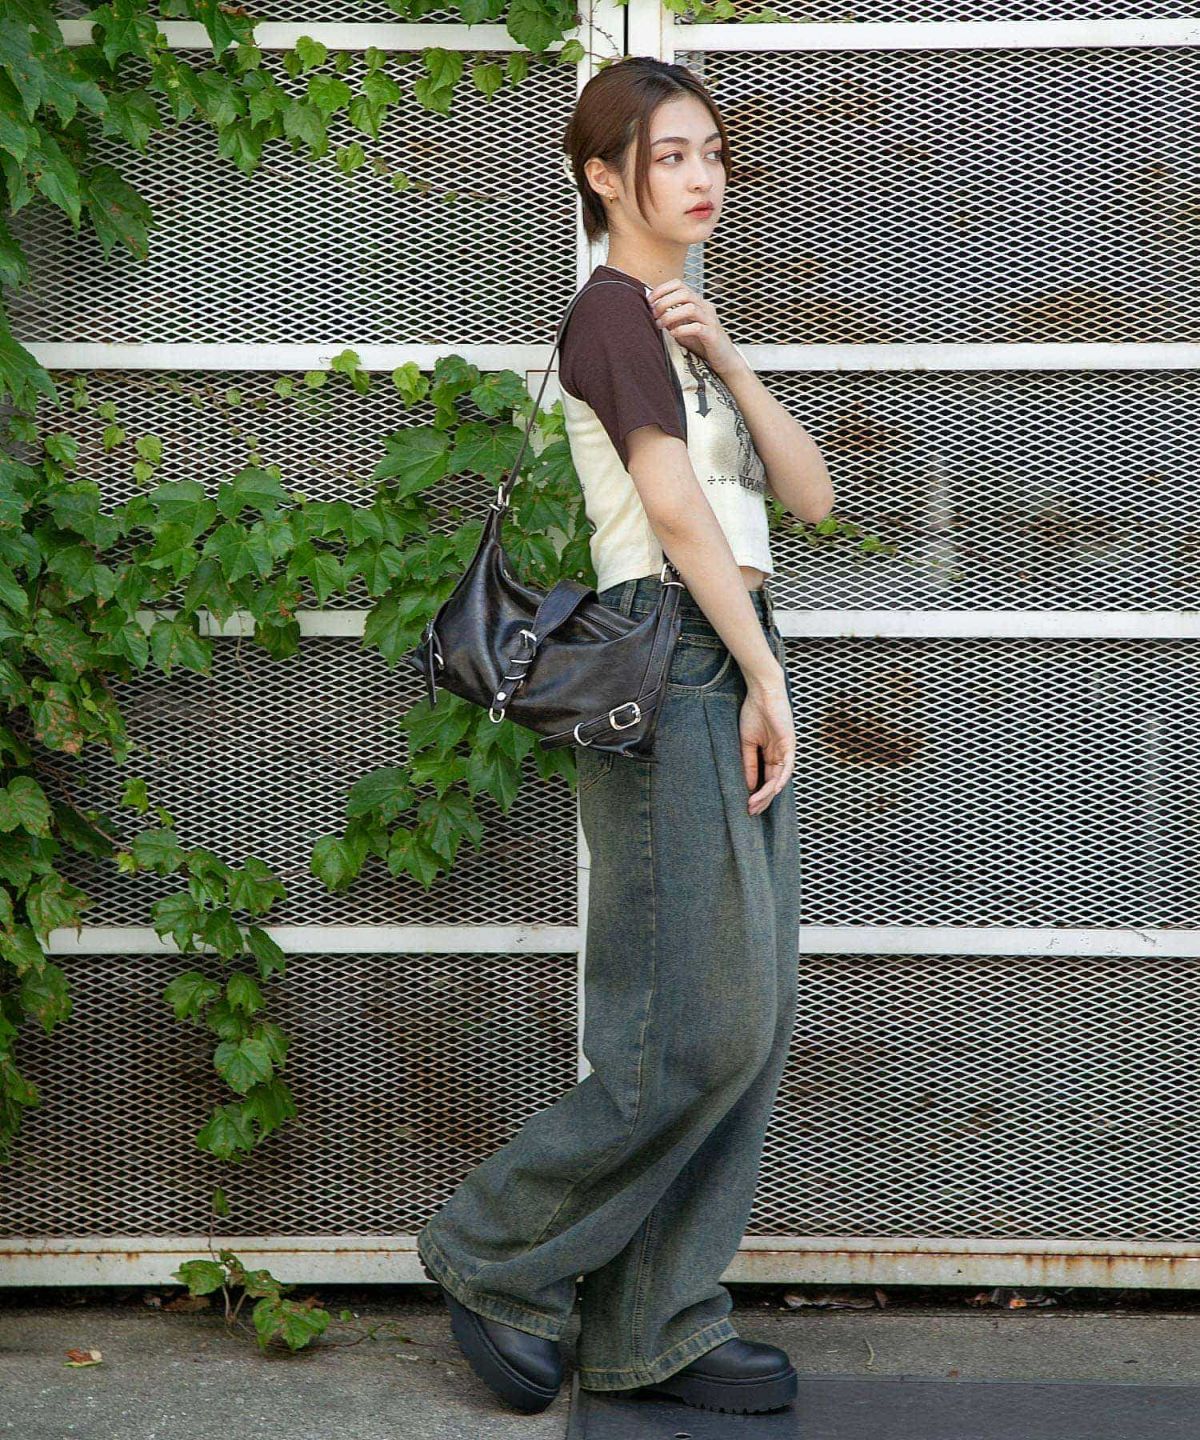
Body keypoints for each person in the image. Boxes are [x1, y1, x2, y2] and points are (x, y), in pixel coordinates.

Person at [416, 54, 836, 1417]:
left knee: (749, 1022)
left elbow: (812, 500)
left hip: (730, 648)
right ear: (602, 177)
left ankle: (655, 1324)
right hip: (680, 661)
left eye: (711, 150)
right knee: (688, 1030)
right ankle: (494, 1253)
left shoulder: (678, 326)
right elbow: (667, 510)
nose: (702, 175)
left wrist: (729, 354)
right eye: (668, 155)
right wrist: (763, 677)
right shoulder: (603, 312)